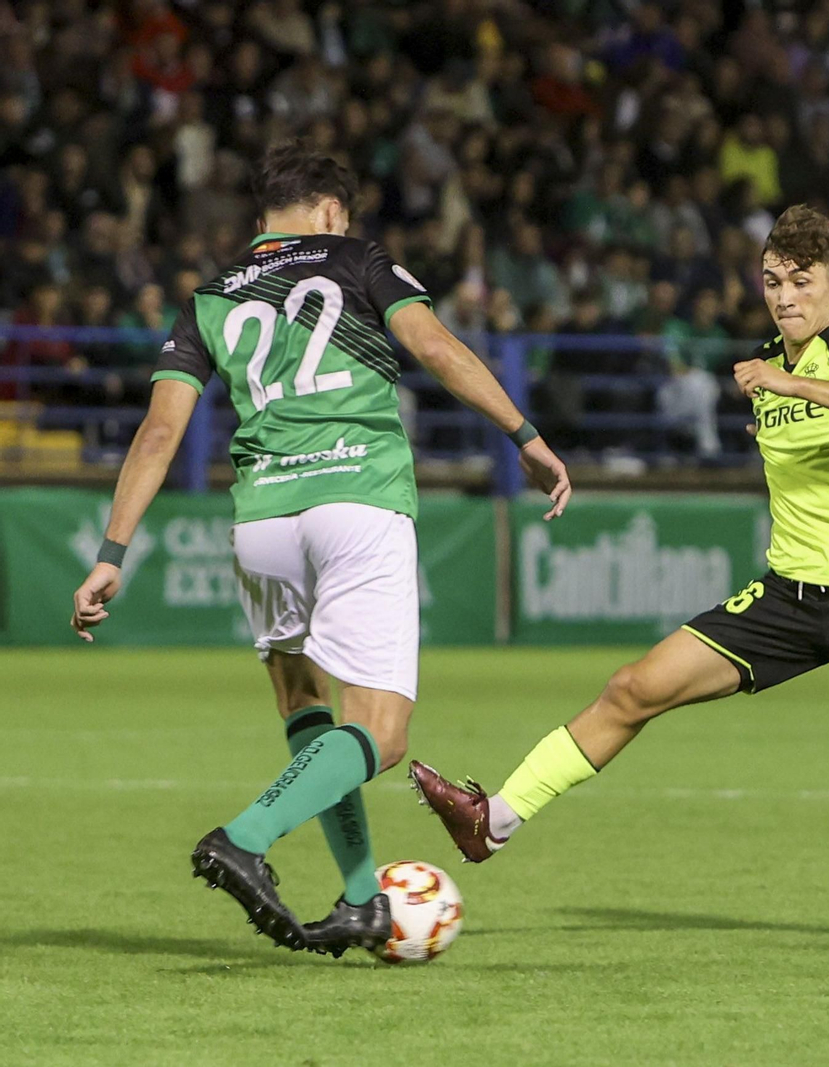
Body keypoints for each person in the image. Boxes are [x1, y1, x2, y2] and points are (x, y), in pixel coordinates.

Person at [410, 205, 829, 887]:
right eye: (773, 281)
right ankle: (494, 819)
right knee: (632, 688)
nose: (784, 296)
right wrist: (780, 402)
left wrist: (793, 385)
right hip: (787, 597)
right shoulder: (767, 363)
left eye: (802, 281)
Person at [68, 140, 572, 956]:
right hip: (356, 502)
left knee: (307, 705)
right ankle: (244, 836)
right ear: (333, 211)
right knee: (383, 731)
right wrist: (524, 433)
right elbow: (436, 347)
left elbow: (161, 429)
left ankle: (363, 895)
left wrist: (112, 552)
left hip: (262, 520)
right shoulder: (358, 259)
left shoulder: (208, 298)